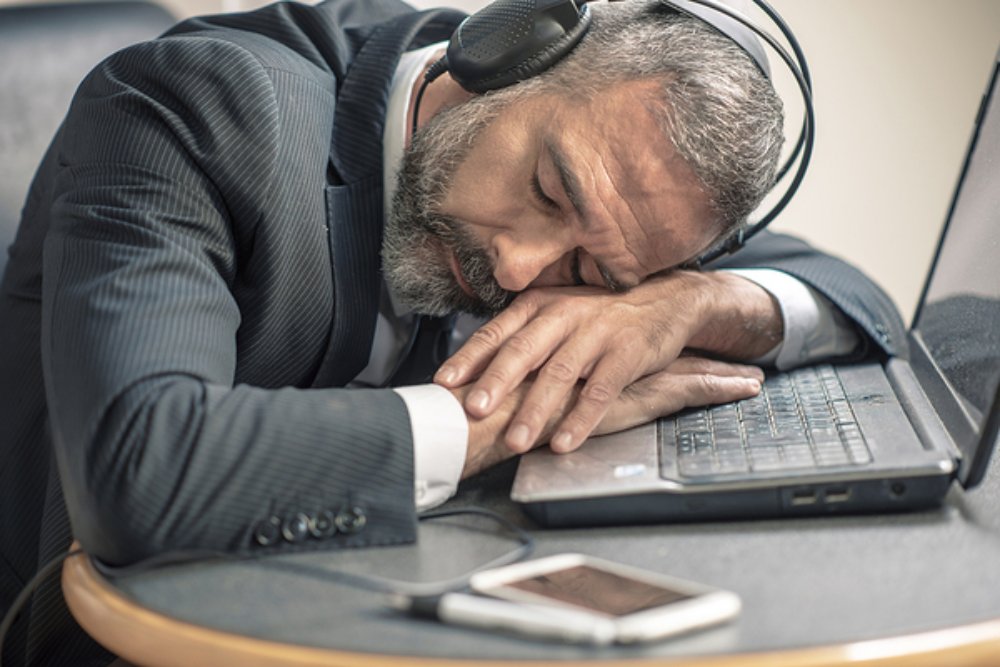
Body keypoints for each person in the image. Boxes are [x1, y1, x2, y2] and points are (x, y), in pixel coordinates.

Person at [0, 0, 906, 664]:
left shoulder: (628, 209)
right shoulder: (197, 106)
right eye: (550, 192)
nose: (518, 270)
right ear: (506, 51)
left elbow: (850, 292)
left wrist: (682, 306)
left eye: (588, 270)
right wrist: (493, 417)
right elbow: (140, 470)